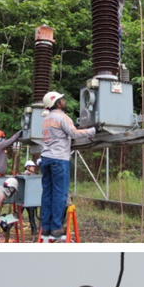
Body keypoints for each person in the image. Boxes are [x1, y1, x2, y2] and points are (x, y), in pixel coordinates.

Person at [40, 91, 103, 238]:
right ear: (57, 103)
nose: (64, 101)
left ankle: (46, 227)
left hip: (46, 158)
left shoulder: (46, 119)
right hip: (59, 159)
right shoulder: (62, 117)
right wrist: (95, 129)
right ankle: (56, 227)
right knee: (60, 193)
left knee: (47, 193)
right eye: (62, 99)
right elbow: (74, 133)